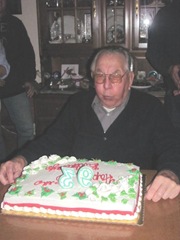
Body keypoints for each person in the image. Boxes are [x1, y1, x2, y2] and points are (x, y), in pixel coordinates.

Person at [0, 46, 180, 202]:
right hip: (79, 198)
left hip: (130, 199)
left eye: (115, 76)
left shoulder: (150, 107)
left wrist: (171, 172)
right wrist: (21, 159)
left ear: (130, 79)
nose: (106, 85)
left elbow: (171, 146)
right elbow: (51, 141)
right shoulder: (78, 104)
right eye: (100, 76)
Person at [0, 0, 38, 162]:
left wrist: (30, 79)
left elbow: (27, 54)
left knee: (27, 130)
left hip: (14, 86)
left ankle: (23, 167)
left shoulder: (15, 24)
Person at [146, 0, 180, 131]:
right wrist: (169, 68)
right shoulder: (166, 14)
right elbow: (153, 52)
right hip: (176, 98)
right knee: (174, 145)